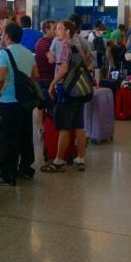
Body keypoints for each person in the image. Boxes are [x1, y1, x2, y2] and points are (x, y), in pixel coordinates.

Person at [0, 23, 39, 184]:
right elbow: (35, 74)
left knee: (8, 137)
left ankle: (7, 172)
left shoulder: (3, 54)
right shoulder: (28, 53)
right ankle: (26, 168)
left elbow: (0, 77)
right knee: (25, 135)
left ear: (7, 36)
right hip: (25, 102)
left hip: (8, 100)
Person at [41, 19, 89, 173]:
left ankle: (59, 161)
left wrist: (53, 83)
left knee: (64, 128)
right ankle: (80, 158)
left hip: (67, 92)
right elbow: (85, 62)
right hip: (79, 91)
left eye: (60, 28)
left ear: (68, 31)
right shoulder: (77, 46)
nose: (57, 31)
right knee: (79, 126)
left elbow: (63, 69)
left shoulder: (65, 46)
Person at [34, 19, 56, 139]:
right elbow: (51, 59)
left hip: (44, 79)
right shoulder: (46, 43)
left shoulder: (42, 42)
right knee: (48, 106)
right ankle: (45, 130)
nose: (56, 31)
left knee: (42, 106)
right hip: (46, 79)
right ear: (46, 30)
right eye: (54, 28)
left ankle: (43, 129)